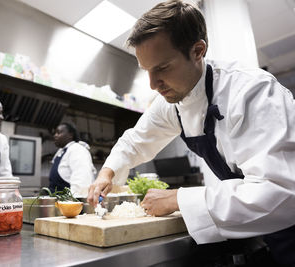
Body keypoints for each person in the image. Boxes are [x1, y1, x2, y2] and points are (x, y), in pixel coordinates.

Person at [87, 1, 295, 265]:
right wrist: (107, 172)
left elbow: (280, 193)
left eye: (162, 68)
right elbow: (136, 141)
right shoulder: (172, 103)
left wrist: (178, 198)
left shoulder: (253, 92)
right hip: (259, 232)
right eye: (147, 71)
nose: (153, 85)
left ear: (198, 51)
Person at [49, 122, 96, 196]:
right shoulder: (61, 152)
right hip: (58, 202)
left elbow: (81, 183)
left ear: (70, 135)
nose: (55, 135)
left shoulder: (77, 150)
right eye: (55, 133)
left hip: (69, 203)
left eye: (59, 132)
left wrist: (73, 203)